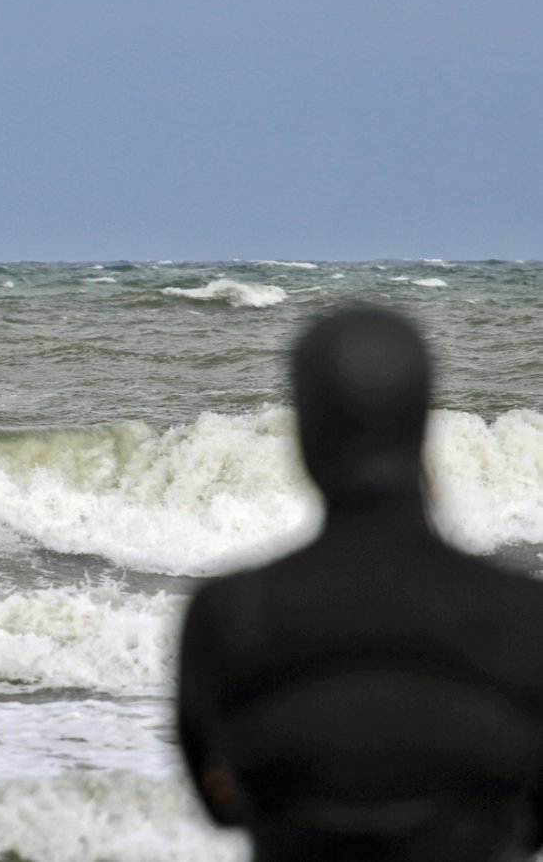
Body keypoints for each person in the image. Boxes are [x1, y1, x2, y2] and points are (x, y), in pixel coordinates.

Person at [176, 305, 543, 862]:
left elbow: (221, 806)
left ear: (306, 432)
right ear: (421, 423)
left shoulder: (230, 616)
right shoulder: (526, 618)